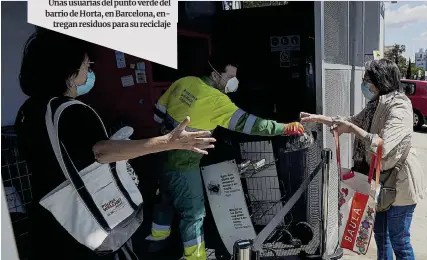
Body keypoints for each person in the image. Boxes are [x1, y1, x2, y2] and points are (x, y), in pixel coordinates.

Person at [15, 29, 216, 260]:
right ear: (68, 73)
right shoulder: (71, 111)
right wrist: (169, 141)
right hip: (90, 223)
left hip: (52, 218)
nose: (90, 68)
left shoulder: (28, 111)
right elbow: (101, 152)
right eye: (85, 64)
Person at [148, 52, 305, 260]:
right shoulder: (217, 100)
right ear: (215, 74)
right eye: (230, 76)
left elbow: (157, 113)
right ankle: (195, 257)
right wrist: (285, 128)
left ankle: (156, 243)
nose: (234, 82)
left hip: (160, 155)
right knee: (194, 214)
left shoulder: (183, 82)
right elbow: (252, 125)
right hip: (184, 164)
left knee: (164, 199)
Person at [300, 59, 426, 260]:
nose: (364, 84)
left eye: (368, 80)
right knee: (381, 238)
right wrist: (320, 119)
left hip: (401, 183)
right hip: (379, 181)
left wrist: (352, 130)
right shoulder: (375, 104)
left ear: (381, 80)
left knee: (399, 240)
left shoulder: (400, 106)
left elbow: (384, 145)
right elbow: (352, 121)